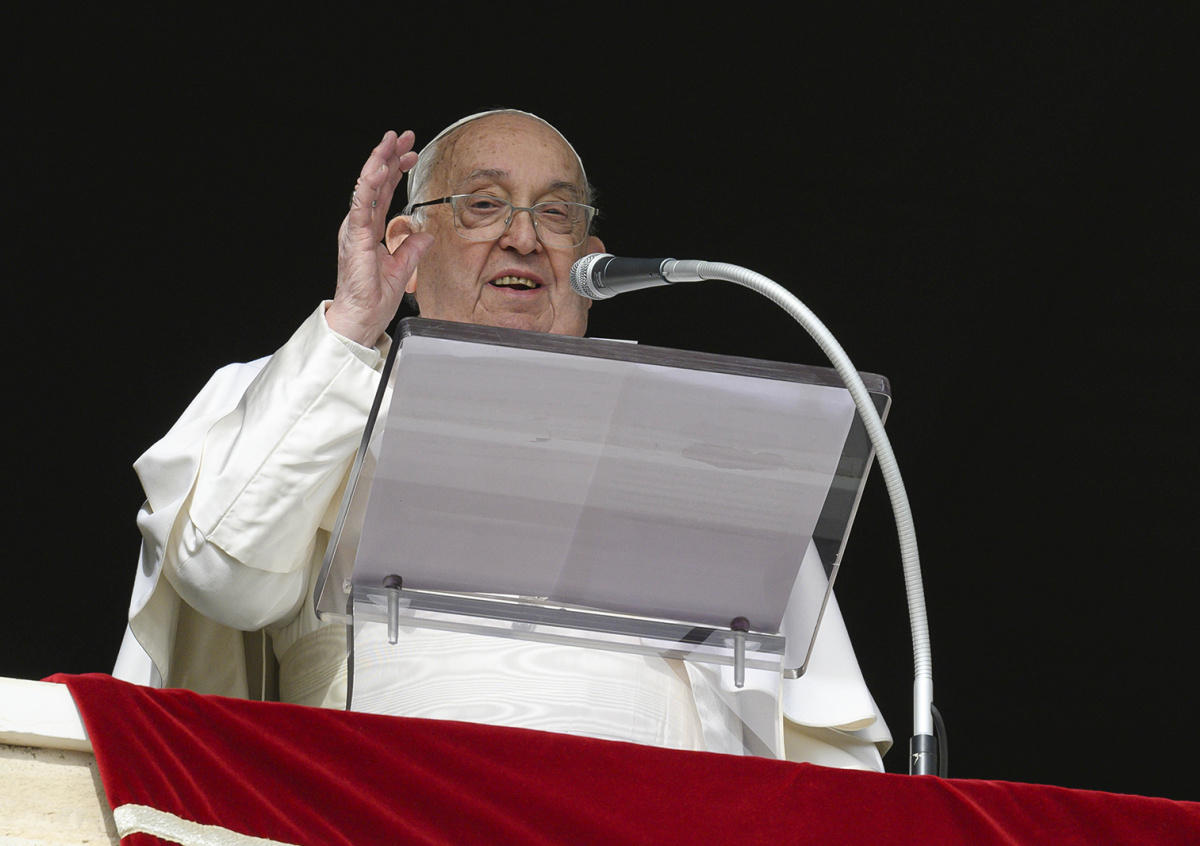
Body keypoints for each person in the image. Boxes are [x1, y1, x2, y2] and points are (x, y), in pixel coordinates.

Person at [114, 109, 891, 768]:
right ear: (405, 248)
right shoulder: (309, 386)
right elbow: (224, 578)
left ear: (592, 264)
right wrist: (350, 328)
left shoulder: (696, 437)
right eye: (484, 206)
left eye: (556, 214)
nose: (523, 238)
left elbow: (822, 749)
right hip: (384, 807)